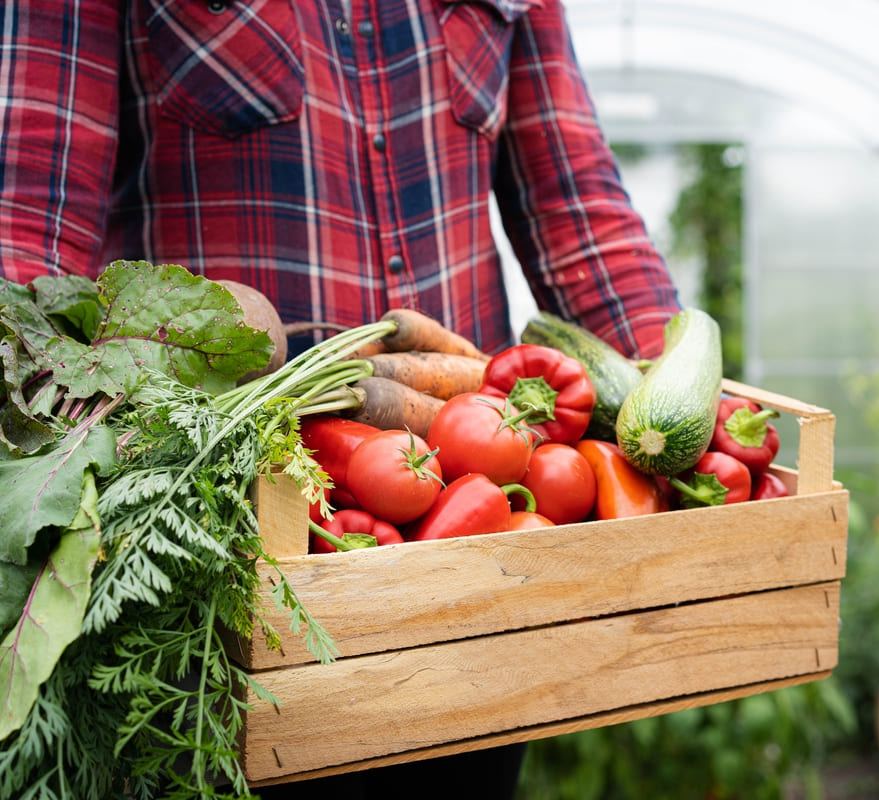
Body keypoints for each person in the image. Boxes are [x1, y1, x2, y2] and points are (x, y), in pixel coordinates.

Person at [0, 1, 682, 798]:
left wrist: (676, 397)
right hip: (212, 552)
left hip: (469, 544)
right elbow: (29, 230)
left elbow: (580, 215)